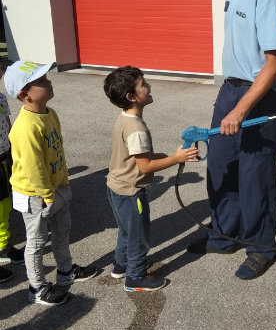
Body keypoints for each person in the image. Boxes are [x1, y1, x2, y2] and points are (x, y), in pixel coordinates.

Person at [187, 0, 276, 280]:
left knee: (255, 174)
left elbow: (275, 63)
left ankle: (261, 248)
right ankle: (223, 235)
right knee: (221, 163)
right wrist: (231, 105)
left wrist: (241, 110)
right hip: (231, 88)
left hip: (262, 94)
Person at [4, 60, 97, 305]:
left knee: (62, 230)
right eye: (41, 81)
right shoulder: (25, 127)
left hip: (56, 189)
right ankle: (37, 288)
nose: (49, 82)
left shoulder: (50, 114)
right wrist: (47, 195)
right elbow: (33, 168)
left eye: (46, 78)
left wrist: (64, 182)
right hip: (34, 195)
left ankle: (65, 270)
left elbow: (58, 151)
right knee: (36, 242)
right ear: (25, 95)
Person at [104, 65, 199, 292]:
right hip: (131, 191)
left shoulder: (125, 118)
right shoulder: (136, 129)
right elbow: (145, 165)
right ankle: (135, 277)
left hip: (117, 187)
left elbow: (136, 156)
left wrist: (166, 156)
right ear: (132, 96)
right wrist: (176, 159)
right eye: (143, 85)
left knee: (127, 231)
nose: (149, 86)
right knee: (138, 236)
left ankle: (121, 265)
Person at [0, 66, 25, 283]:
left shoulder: (1, 98)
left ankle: (3, 246)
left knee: (6, 203)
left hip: (4, 156)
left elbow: (8, 124)